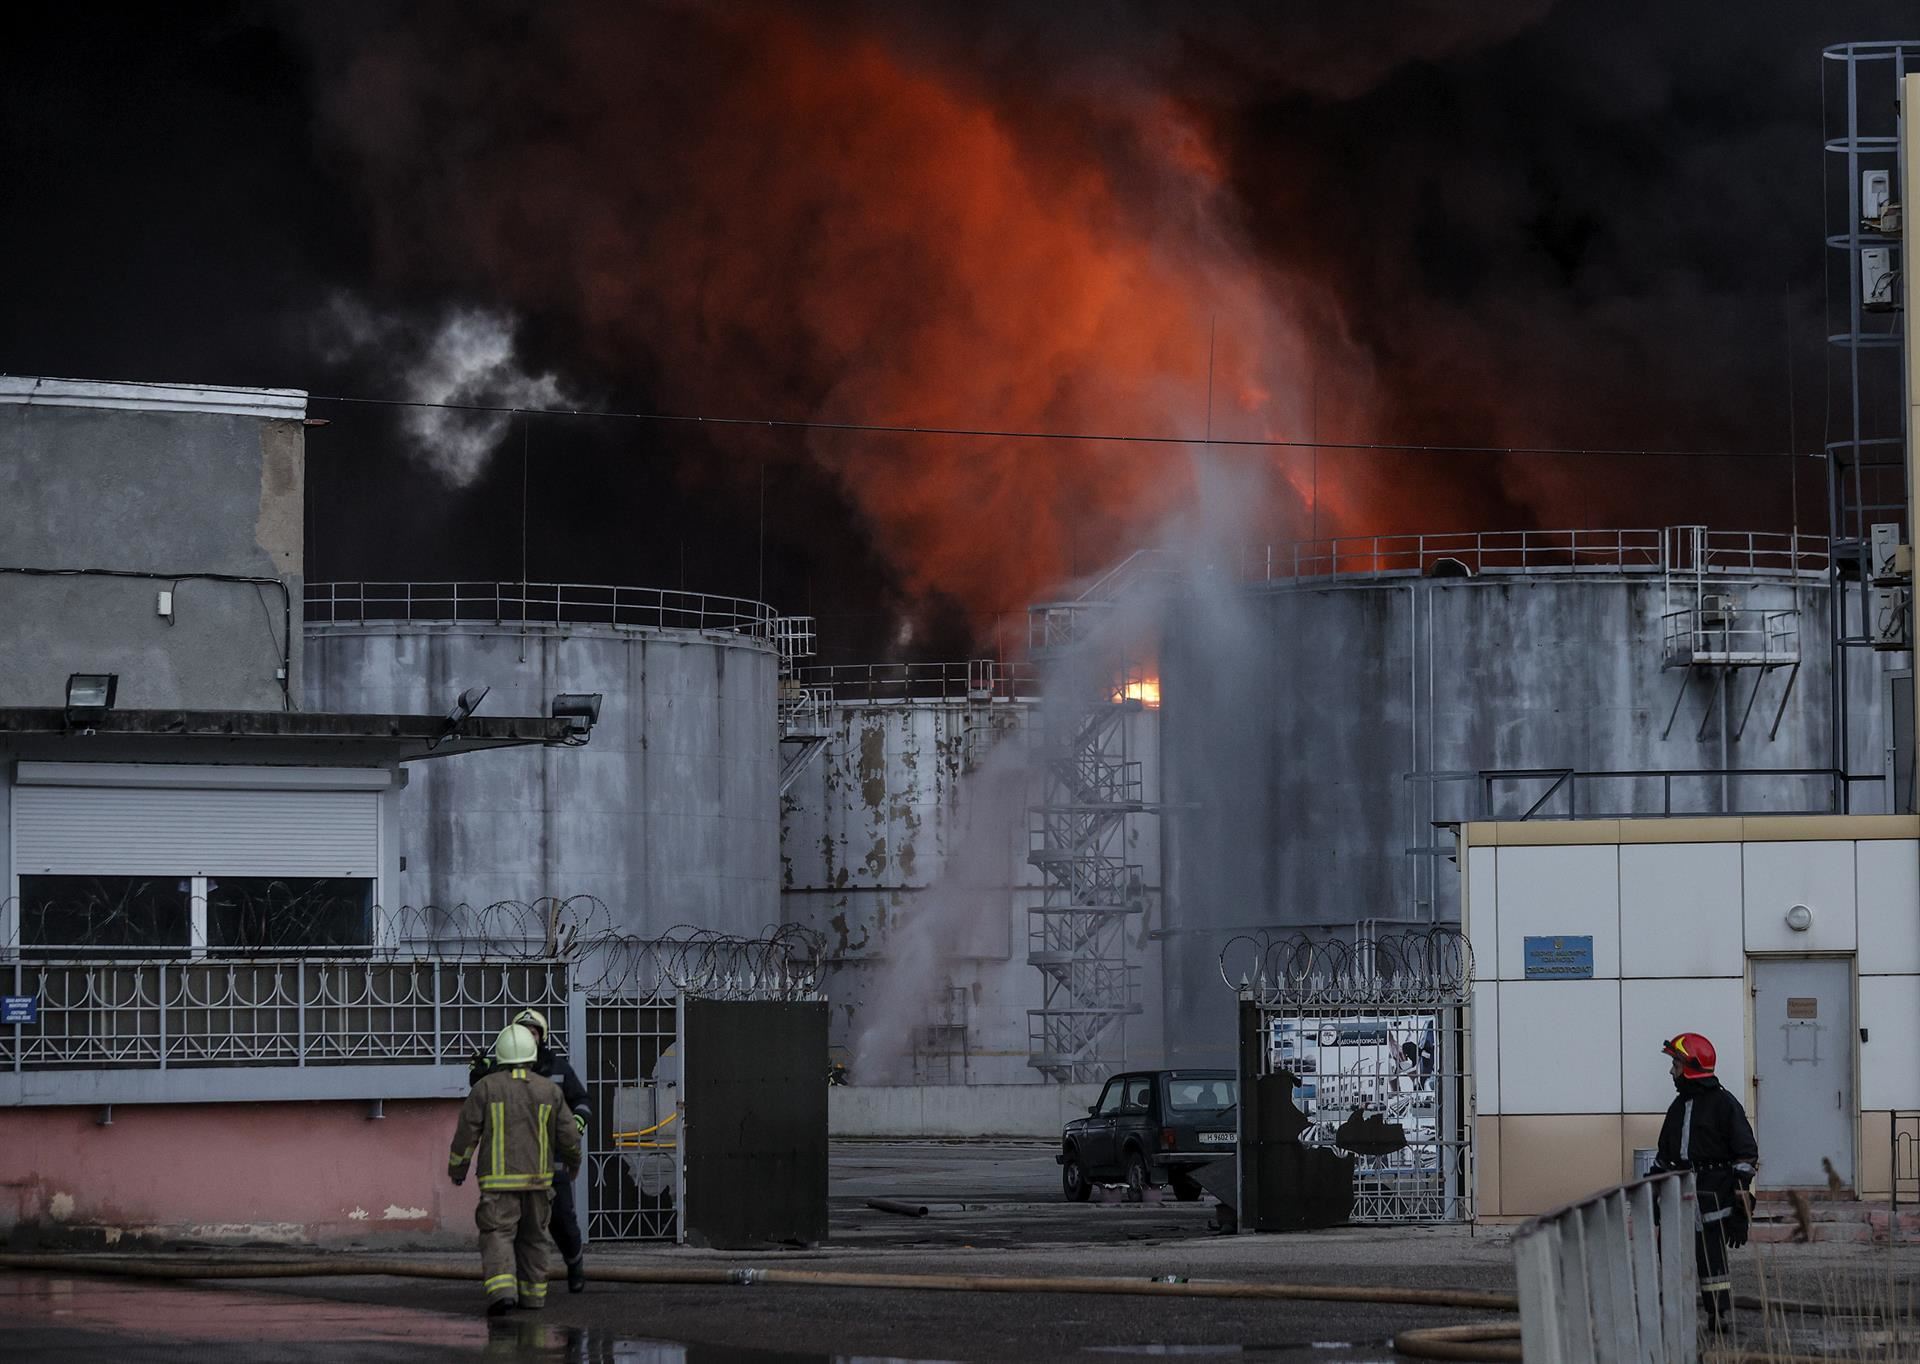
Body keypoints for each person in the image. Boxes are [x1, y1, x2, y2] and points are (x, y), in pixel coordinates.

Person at [448, 1023, 580, 1315]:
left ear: (502, 1055)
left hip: (498, 1182)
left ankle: (502, 1294)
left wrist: (458, 1170)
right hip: (538, 1180)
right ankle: (533, 1298)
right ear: (532, 1054)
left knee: (497, 1233)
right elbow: (569, 1135)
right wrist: (574, 1163)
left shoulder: (486, 1087)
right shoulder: (549, 1090)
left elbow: (466, 1135)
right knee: (535, 1238)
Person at [471, 1008, 593, 1293]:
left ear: (542, 1036)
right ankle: (518, 1285)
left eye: (534, 1031)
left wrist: (576, 1125)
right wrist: (478, 1072)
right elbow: (480, 1096)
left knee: (562, 1222)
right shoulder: (500, 1072)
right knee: (519, 1231)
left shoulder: (558, 1070)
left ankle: (575, 1265)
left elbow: (582, 1101)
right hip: (515, 1164)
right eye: (523, 1031)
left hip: (552, 1162)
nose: (529, 1036)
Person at [1651, 1031, 1758, 1333]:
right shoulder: (1677, 1107)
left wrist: (1741, 1202)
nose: (1671, 1071)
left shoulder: (1724, 1104)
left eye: (1676, 1064)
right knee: (1670, 1255)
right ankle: (1674, 1315)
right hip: (1679, 1195)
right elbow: (1664, 1156)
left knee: (1712, 1259)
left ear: (1691, 1066)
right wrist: (1652, 1193)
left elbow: (1745, 1154)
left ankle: (1718, 1315)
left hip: (1712, 1196)